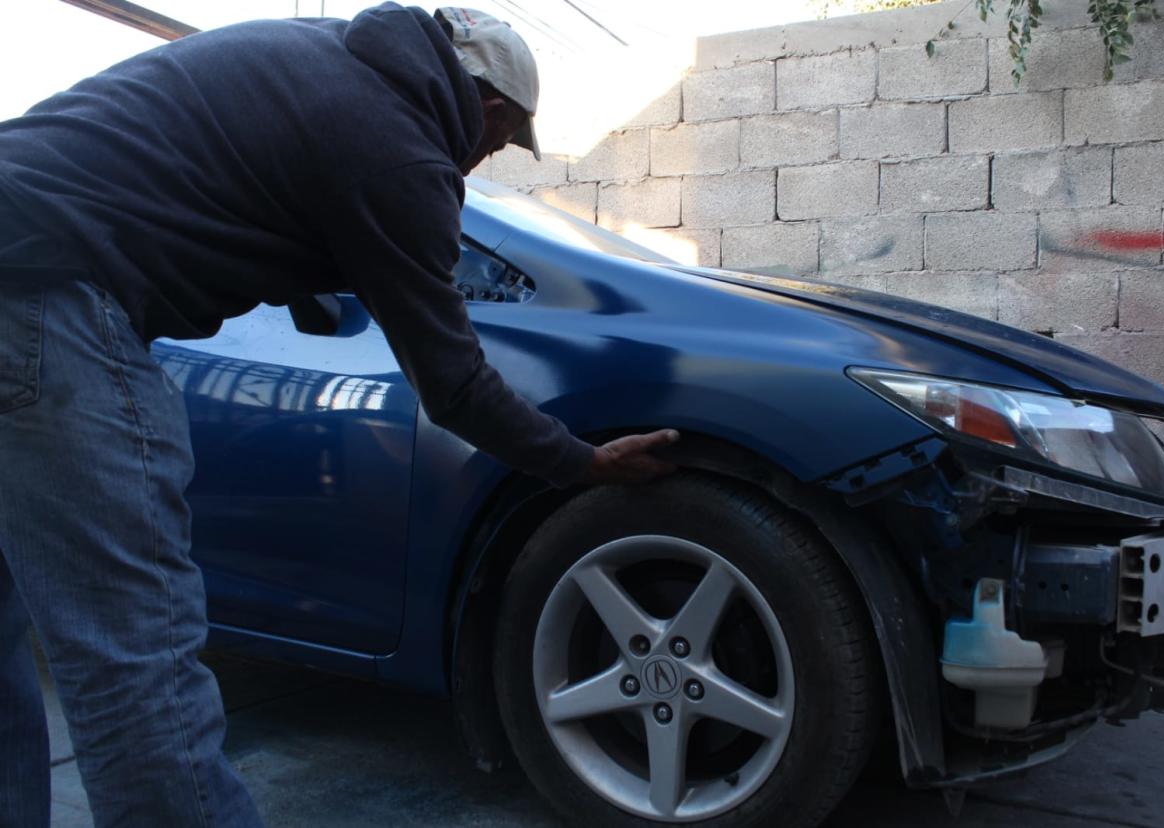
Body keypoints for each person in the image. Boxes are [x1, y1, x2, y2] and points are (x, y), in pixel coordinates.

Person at [0, 4, 677, 826]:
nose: (477, 162)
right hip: (48, 302)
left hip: (21, 253)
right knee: (135, 663)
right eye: (495, 146)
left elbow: (249, 186)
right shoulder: (397, 149)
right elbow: (455, 383)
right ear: (489, 110)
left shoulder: (313, 51)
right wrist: (582, 462)